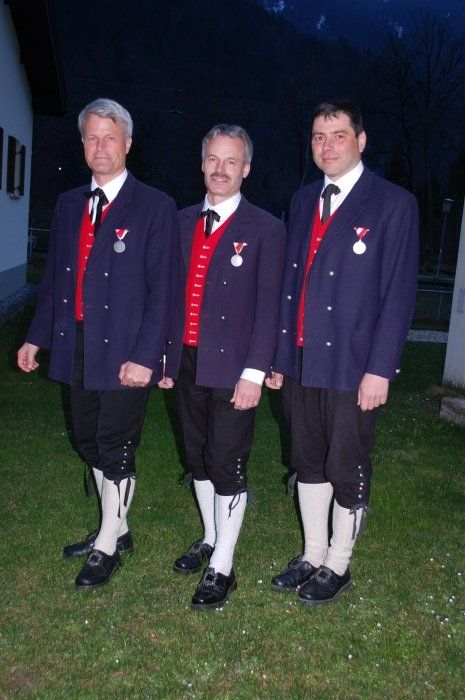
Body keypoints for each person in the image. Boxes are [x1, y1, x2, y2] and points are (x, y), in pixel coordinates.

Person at [17, 98, 178, 590]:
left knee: (116, 444)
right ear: (83, 143)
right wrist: (36, 337)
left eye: (110, 137)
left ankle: (107, 544)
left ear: (128, 143)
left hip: (127, 349)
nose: (100, 146)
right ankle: (118, 526)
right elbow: (56, 280)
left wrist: (147, 357)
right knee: (87, 439)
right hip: (77, 344)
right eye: (92, 137)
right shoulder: (70, 204)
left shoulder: (154, 206)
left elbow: (164, 291)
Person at [267, 101, 418, 605]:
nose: (327, 146)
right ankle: (312, 554)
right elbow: (290, 284)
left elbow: (398, 293)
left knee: (346, 463)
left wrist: (380, 369)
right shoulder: (303, 199)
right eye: (318, 137)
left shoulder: (392, 203)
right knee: (307, 459)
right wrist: (279, 356)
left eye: (338, 135)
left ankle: (338, 563)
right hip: (301, 360)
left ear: (361, 140)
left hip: (353, 365)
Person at [160, 124, 285, 609]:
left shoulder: (266, 229)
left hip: (235, 368)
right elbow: (168, 296)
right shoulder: (179, 221)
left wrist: (255, 373)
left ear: (245, 169)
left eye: (231, 161)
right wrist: (165, 356)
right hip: (186, 361)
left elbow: (269, 308)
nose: (220, 169)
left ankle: (224, 567)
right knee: (197, 457)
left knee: (227, 462)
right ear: (202, 163)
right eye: (213, 159)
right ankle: (211, 538)